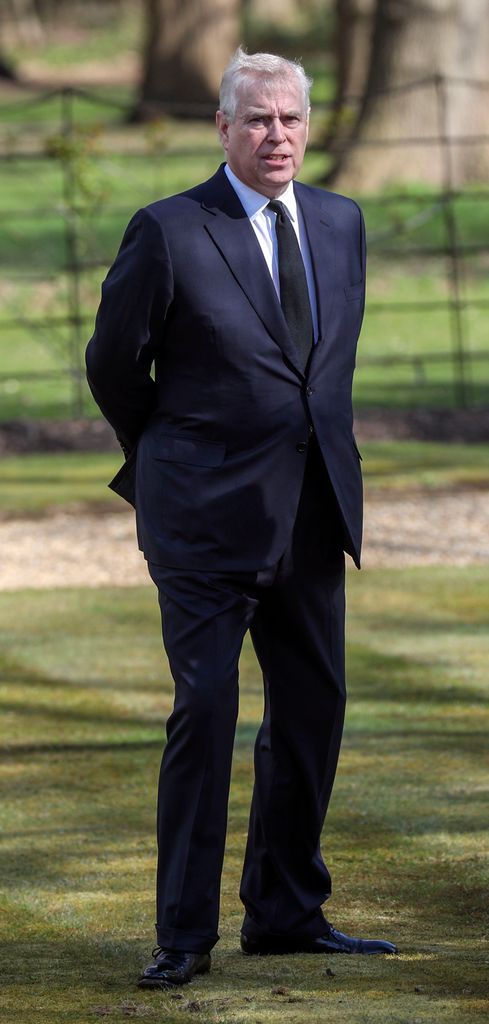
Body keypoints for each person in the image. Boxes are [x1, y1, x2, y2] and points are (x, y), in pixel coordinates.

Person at [86, 47, 397, 990]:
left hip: (309, 512)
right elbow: (113, 365)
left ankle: (286, 912)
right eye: (257, 119)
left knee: (312, 712)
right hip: (202, 520)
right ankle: (183, 932)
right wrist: (176, 458)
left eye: (291, 119)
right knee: (207, 711)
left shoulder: (341, 223)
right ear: (222, 128)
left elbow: (318, 374)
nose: (276, 136)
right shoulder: (171, 230)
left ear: (308, 126)